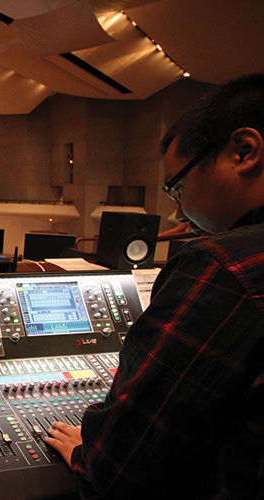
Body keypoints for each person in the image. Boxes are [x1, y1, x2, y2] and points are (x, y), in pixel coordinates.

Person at [44, 73, 264, 499]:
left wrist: (88, 454)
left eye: (177, 186)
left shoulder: (220, 266)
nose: (178, 210)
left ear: (244, 152)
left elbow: (123, 470)